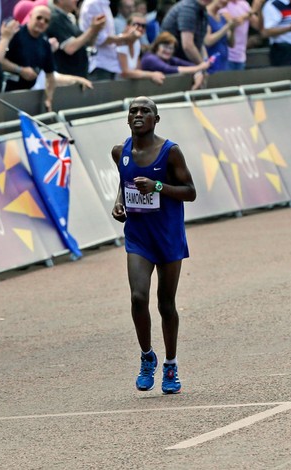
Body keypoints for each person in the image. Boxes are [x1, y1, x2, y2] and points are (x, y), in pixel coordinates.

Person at [111, 96, 196, 394]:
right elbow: (125, 183)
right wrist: (119, 203)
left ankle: (170, 365)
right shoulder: (120, 152)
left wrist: (158, 186)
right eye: (133, 110)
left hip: (168, 236)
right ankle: (147, 356)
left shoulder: (171, 153)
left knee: (165, 303)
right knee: (137, 297)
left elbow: (190, 192)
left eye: (145, 111)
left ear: (156, 119)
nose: (138, 114)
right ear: (127, 118)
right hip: (139, 236)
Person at [2, 5, 56, 111]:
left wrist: (48, 99)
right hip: (8, 92)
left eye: (46, 21)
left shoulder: (45, 43)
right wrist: (20, 70)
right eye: (39, 18)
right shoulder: (15, 34)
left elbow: (50, 76)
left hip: (30, 94)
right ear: (30, 16)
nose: (42, 22)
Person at [79, 0, 141, 81]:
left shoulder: (104, 3)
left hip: (109, 66)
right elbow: (100, 39)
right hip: (99, 66)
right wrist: (126, 37)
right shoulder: (94, 3)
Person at [47, 0, 106, 78]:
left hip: (78, 76)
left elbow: (87, 43)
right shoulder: (55, 18)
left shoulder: (69, 18)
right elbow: (70, 48)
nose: (76, 0)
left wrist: (95, 30)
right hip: (66, 78)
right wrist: (92, 29)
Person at [140, 31, 209, 89]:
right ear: (157, 46)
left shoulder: (169, 58)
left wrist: (198, 74)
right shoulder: (150, 59)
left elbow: (190, 65)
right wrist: (199, 67)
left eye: (171, 48)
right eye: (165, 47)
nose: (168, 51)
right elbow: (168, 69)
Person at [117, 13, 165, 83]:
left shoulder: (137, 43)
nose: (140, 28)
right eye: (136, 25)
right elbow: (125, 73)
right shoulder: (120, 40)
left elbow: (137, 69)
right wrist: (152, 75)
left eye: (143, 26)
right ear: (127, 26)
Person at [161, 0, 210, 64]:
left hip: (184, 62)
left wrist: (205, 61)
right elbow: (188, 46)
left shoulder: (203, 10)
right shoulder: (188, 8)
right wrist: (202, 66)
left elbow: (199, 43)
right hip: (171, 63)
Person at [218, 0, 262, 70]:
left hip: (241, 56)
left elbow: (258, 26)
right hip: (227, 56)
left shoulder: (244, 4)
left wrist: (259, 9)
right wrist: (252, 11)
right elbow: (233, 23)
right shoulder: (222, 4)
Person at [204, 0, 236, 73]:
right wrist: (227, 27)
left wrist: (233, 29)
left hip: (224, 63)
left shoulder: (222, 18)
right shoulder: (205, 16)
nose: (224, 1)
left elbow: (232, 44)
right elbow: (208, 41)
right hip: (211, 62)